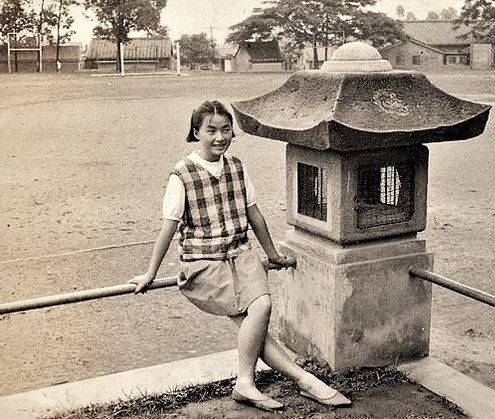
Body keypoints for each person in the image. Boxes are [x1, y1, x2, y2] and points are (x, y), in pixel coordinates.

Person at [129, 100, 351, 412]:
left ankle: (261, 383)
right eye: (211, 131)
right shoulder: (181, 175)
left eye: (226, 129)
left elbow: (254, 215)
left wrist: (272, 254)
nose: (220, 137)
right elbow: (168, 228)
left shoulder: (236, 166)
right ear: (196, 133)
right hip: (204, 263)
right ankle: (298, 381)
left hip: (241, 254)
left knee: (259, 310)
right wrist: (150, 273)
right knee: (256, 315)